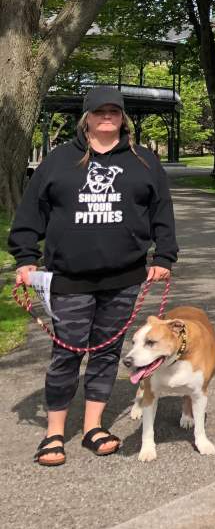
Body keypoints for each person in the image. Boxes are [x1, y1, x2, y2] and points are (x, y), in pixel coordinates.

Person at [7, 86, 176, 466]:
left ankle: (93, 427)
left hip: (124, 276)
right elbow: (31, 213)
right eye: (100, 111)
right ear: (86, 117)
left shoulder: (144, 161)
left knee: (107, 353)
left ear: (122, 117)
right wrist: (24, 257)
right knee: (66, 354)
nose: (107, 117)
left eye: (114, 111)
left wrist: (164, 256)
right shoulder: (58, 161)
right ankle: (53, 434)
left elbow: (162, 213)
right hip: (69, 276)